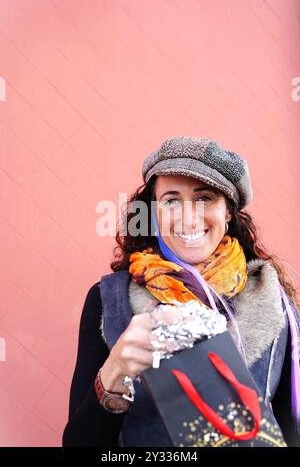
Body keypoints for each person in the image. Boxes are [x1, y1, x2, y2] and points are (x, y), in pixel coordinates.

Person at [62, 136, 300, 447]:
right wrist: (113, 374)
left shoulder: (273, 302)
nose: (188, 216)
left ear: (228, 211)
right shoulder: (110, 301)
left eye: (205, 198)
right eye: (172, 200)